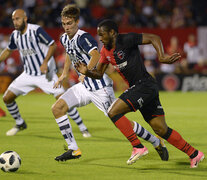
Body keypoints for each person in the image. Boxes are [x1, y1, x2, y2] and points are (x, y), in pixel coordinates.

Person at [75, 19, 204, 168]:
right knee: (161, 129)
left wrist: (161, 56)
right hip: (145, 88)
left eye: (102, 35)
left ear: (112, 33)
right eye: (99, 35)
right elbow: (98, 73)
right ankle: (194, 154)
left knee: (113, 111)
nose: (100, 38)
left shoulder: (126, 39)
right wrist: (87, 72)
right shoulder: (105, 51)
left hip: (144, 85)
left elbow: (154, 38)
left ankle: (138, 146)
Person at [52, 4, 168, 164]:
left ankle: (154, 142)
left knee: (118, 118)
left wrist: (87, 72)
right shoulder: (64, 38)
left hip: (99, 87)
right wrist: (64, 74)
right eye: (64, 24)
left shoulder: (83, 37)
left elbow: (95, 54)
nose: (66, 27)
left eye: (69, 23)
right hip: (84, 87)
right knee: (57, 108)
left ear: (77, 22)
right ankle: (73, 149)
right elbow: (69, 53)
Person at [0, 9, 91, 138]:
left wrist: (45, 62)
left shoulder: (36, 30)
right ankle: (20, 123)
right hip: (28, 74)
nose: (15, 22)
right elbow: (8, 50)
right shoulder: (15, 35)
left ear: (25, 19)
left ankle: (83, 127)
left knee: (63, 99)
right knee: (7, 98)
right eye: (13, 19)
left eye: (18, 19)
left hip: (45, 75)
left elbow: (52, 45)